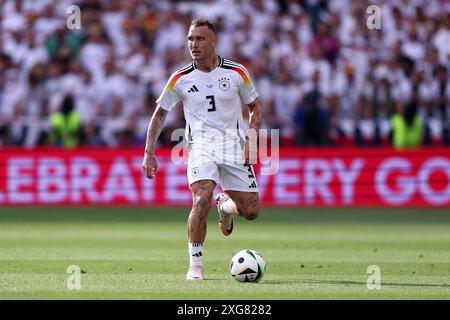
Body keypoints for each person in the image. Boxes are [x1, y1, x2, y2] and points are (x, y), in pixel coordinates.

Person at [141, 19, 262, 281]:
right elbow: (160, 113)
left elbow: (255, 107)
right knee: (201, 197)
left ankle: (225, 206)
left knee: (251, 212)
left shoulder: (236, 72)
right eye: (190, 39)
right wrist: (149, 152)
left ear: (213, 41)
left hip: (234, 147)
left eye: (200, 39)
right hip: (200, 147)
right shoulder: (180, 78)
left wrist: (252, 137)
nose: (193, 44)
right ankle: (195, 265)